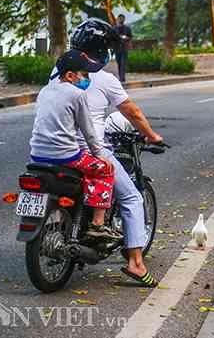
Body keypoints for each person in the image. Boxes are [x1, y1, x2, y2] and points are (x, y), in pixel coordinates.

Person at [66, 18, 164, 287]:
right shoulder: (104, 78)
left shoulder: (60, 71)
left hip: (57, 149)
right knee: (132, 197)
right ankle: (135, 263)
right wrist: (152, 135)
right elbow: (132, 112)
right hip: (91, 150)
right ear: (103, 51)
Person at [30, 50, 120, 241]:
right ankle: (98, 224)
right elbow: (88, 131)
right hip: (66, 156)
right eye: (84, 75)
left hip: (37, 155)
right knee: (105, 170)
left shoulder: (44, 92)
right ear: (70, 75)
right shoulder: (76, 94)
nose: (87, 79)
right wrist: (99, 155)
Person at [113, 14, 132, 83]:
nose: (121, 19)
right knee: (119, 63)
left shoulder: (127, 28)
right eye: (120, 18)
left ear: (124, 19)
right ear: (117, 19)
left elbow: (130, 37)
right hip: (117, 48)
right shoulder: (114, 28)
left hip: (124, 48)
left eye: (122, 18)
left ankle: (122, 78)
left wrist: (126, 38)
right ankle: (121, 77)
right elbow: (112, 38)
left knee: (123, 63)